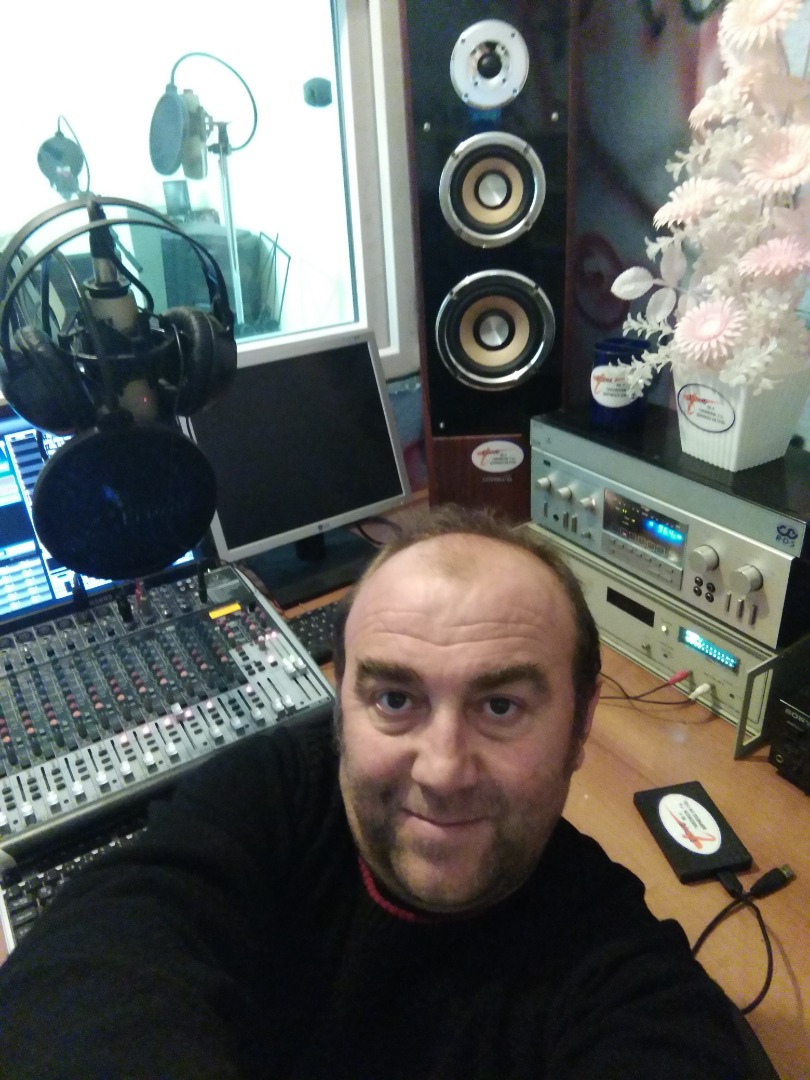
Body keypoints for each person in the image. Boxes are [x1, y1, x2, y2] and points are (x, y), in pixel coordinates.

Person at [0, 504, 755, 1079]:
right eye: (395, 699)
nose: (442, 770)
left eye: (501, 707)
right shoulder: (268, 795)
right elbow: (89, 975)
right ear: (341, 710)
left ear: (580, 725)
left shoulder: (611, 956)